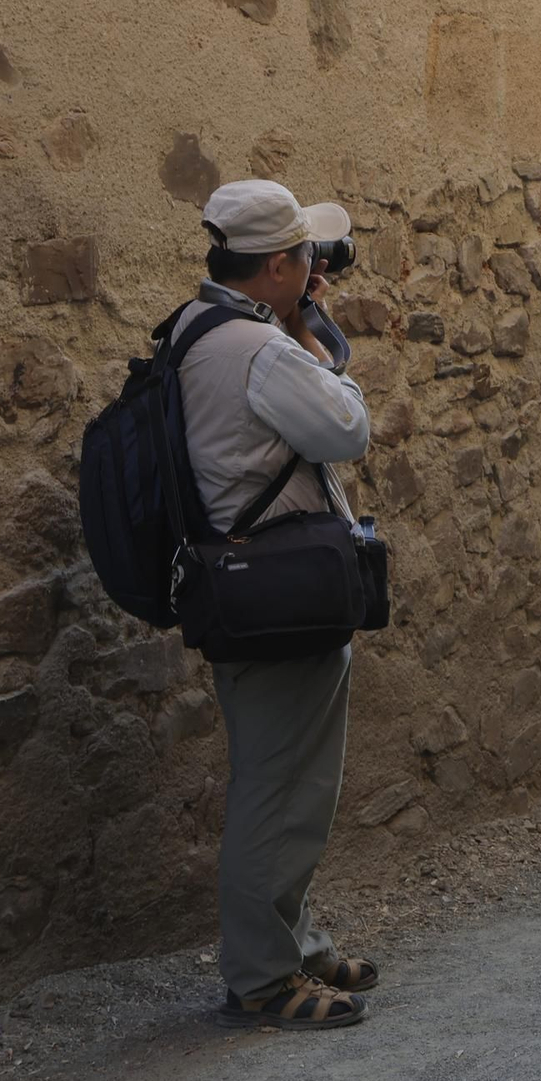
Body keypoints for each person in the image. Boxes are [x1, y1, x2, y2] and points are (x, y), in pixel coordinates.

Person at [178, 180, 378, 1030]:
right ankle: (263, 977)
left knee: (295, 779)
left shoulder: (204, 328)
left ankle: (291, 940)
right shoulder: (257, 352)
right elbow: (346, 427)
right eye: (303, 255)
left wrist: (292, 318)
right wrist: (310, 328)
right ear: (273, 267)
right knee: (276, 785)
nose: (315, 266)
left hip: (258, 588)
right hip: (275, 595)